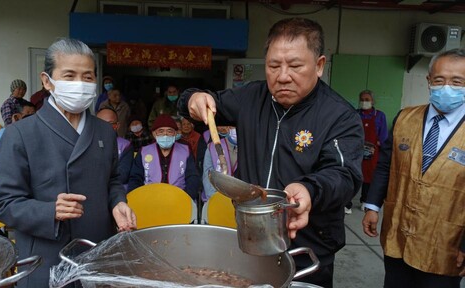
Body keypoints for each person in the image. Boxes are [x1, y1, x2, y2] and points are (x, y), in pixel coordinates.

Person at [177, 17, 363, 287]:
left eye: (295, 66)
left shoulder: (339, 116)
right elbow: (204, 102)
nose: (283, 76)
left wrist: (310, 189)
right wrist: (193, 99)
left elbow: (344, 175)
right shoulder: (251, 98)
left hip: (308, 244)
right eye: (274, 66)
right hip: (252, 239)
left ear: (319, 65)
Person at [0, 38, 137, 287]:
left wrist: (118, 203)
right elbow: (5, 205)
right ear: (47, 80)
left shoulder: (104, 131)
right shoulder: (20, 134)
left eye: (88, 77)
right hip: (46, 256)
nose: (80, 84)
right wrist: (49, 211)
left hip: (96, 250)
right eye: (69, 76)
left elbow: (112, 179)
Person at [362, 49, 465, 287]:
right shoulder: (405, 118)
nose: (446, 87)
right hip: (399, 234)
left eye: (457, 81)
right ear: (429, 82)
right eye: (439, 80)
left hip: (445, 244)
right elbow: (386, 165)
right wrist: (372, 206)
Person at [127, 114, 201, 201]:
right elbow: (135, 178)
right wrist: (138, 198)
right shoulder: (144, 151)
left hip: (179, 199)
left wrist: (186, 197)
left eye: (169, 131)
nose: (165, 134)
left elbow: (192, 177)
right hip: (150, 199)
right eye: (161, 131)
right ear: (154, 134)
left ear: (175, 133)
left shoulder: (185, 150)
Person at [344, 89, 388, 214]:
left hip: (372, 153)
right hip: (355, 151)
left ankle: (365, 200)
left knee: (368, 177)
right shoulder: (355, 114)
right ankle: (347, 203)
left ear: (373, 101)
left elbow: (383, 136)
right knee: (352, 175)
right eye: (362, 100)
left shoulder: (379, 115)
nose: (364, 102)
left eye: (367, 100)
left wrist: (376, 144)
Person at [96, 107, 133, 188]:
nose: (105, 127)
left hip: (117, 191)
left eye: (110, 123)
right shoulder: (88, 144)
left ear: (117, 125)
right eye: (101, 123)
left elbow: (123, 175)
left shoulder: (125, 145)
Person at [202, 126, 238, 201]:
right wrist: (215, 198)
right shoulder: (212, 147)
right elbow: (207, 176)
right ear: (227, 128)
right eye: (232, 127)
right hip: (216, 198)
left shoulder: (250, 148)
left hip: (241, 200)